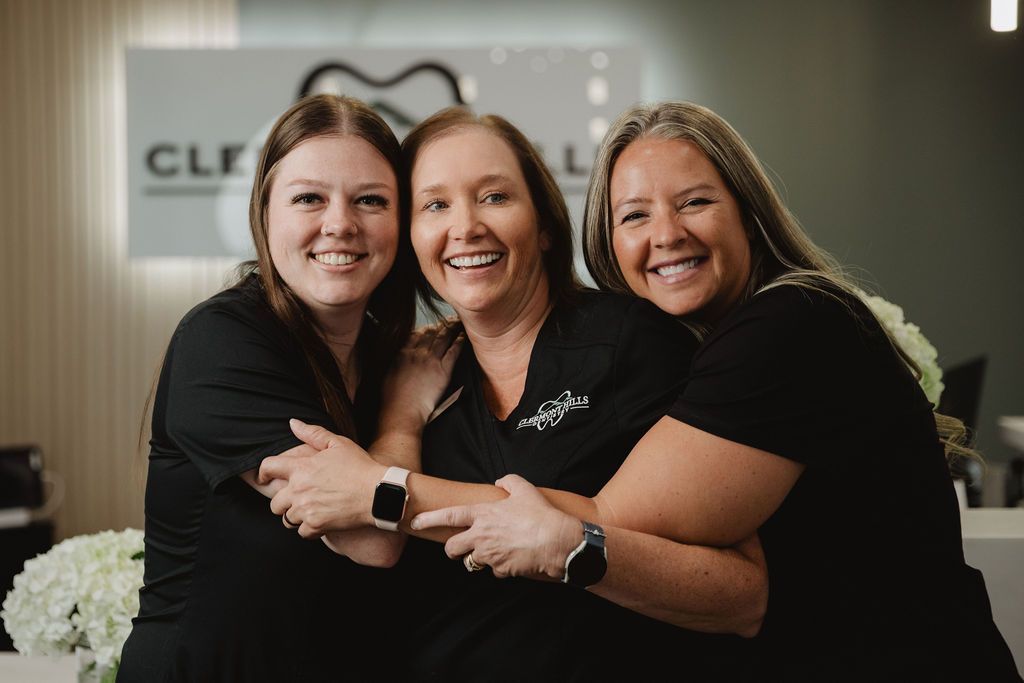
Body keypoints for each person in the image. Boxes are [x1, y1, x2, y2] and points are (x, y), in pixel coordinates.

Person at [409, 102, 1022, 682]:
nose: (667, 234)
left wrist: (376, 491)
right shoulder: (710, 344)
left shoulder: (790, 325)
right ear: (610, 242)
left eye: (695, 202)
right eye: (635, 215)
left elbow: (608, 521)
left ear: (747, 213)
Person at [261, 108, 767, 680]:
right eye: (435, 205)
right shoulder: (411, 377)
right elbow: (374, 554)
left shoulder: (630, 340)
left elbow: (741, 595)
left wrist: (573, 551)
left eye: (495, 197)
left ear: (545, 222)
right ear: (410, 240)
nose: (467, 226)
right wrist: (402, 418)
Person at [117, 94, 421, 681]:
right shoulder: (222, 338)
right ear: (265, 213)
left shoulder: (392, 353)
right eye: (309, 197)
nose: (340, 223)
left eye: (371, 201)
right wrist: (406, 416)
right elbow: (370, 538)